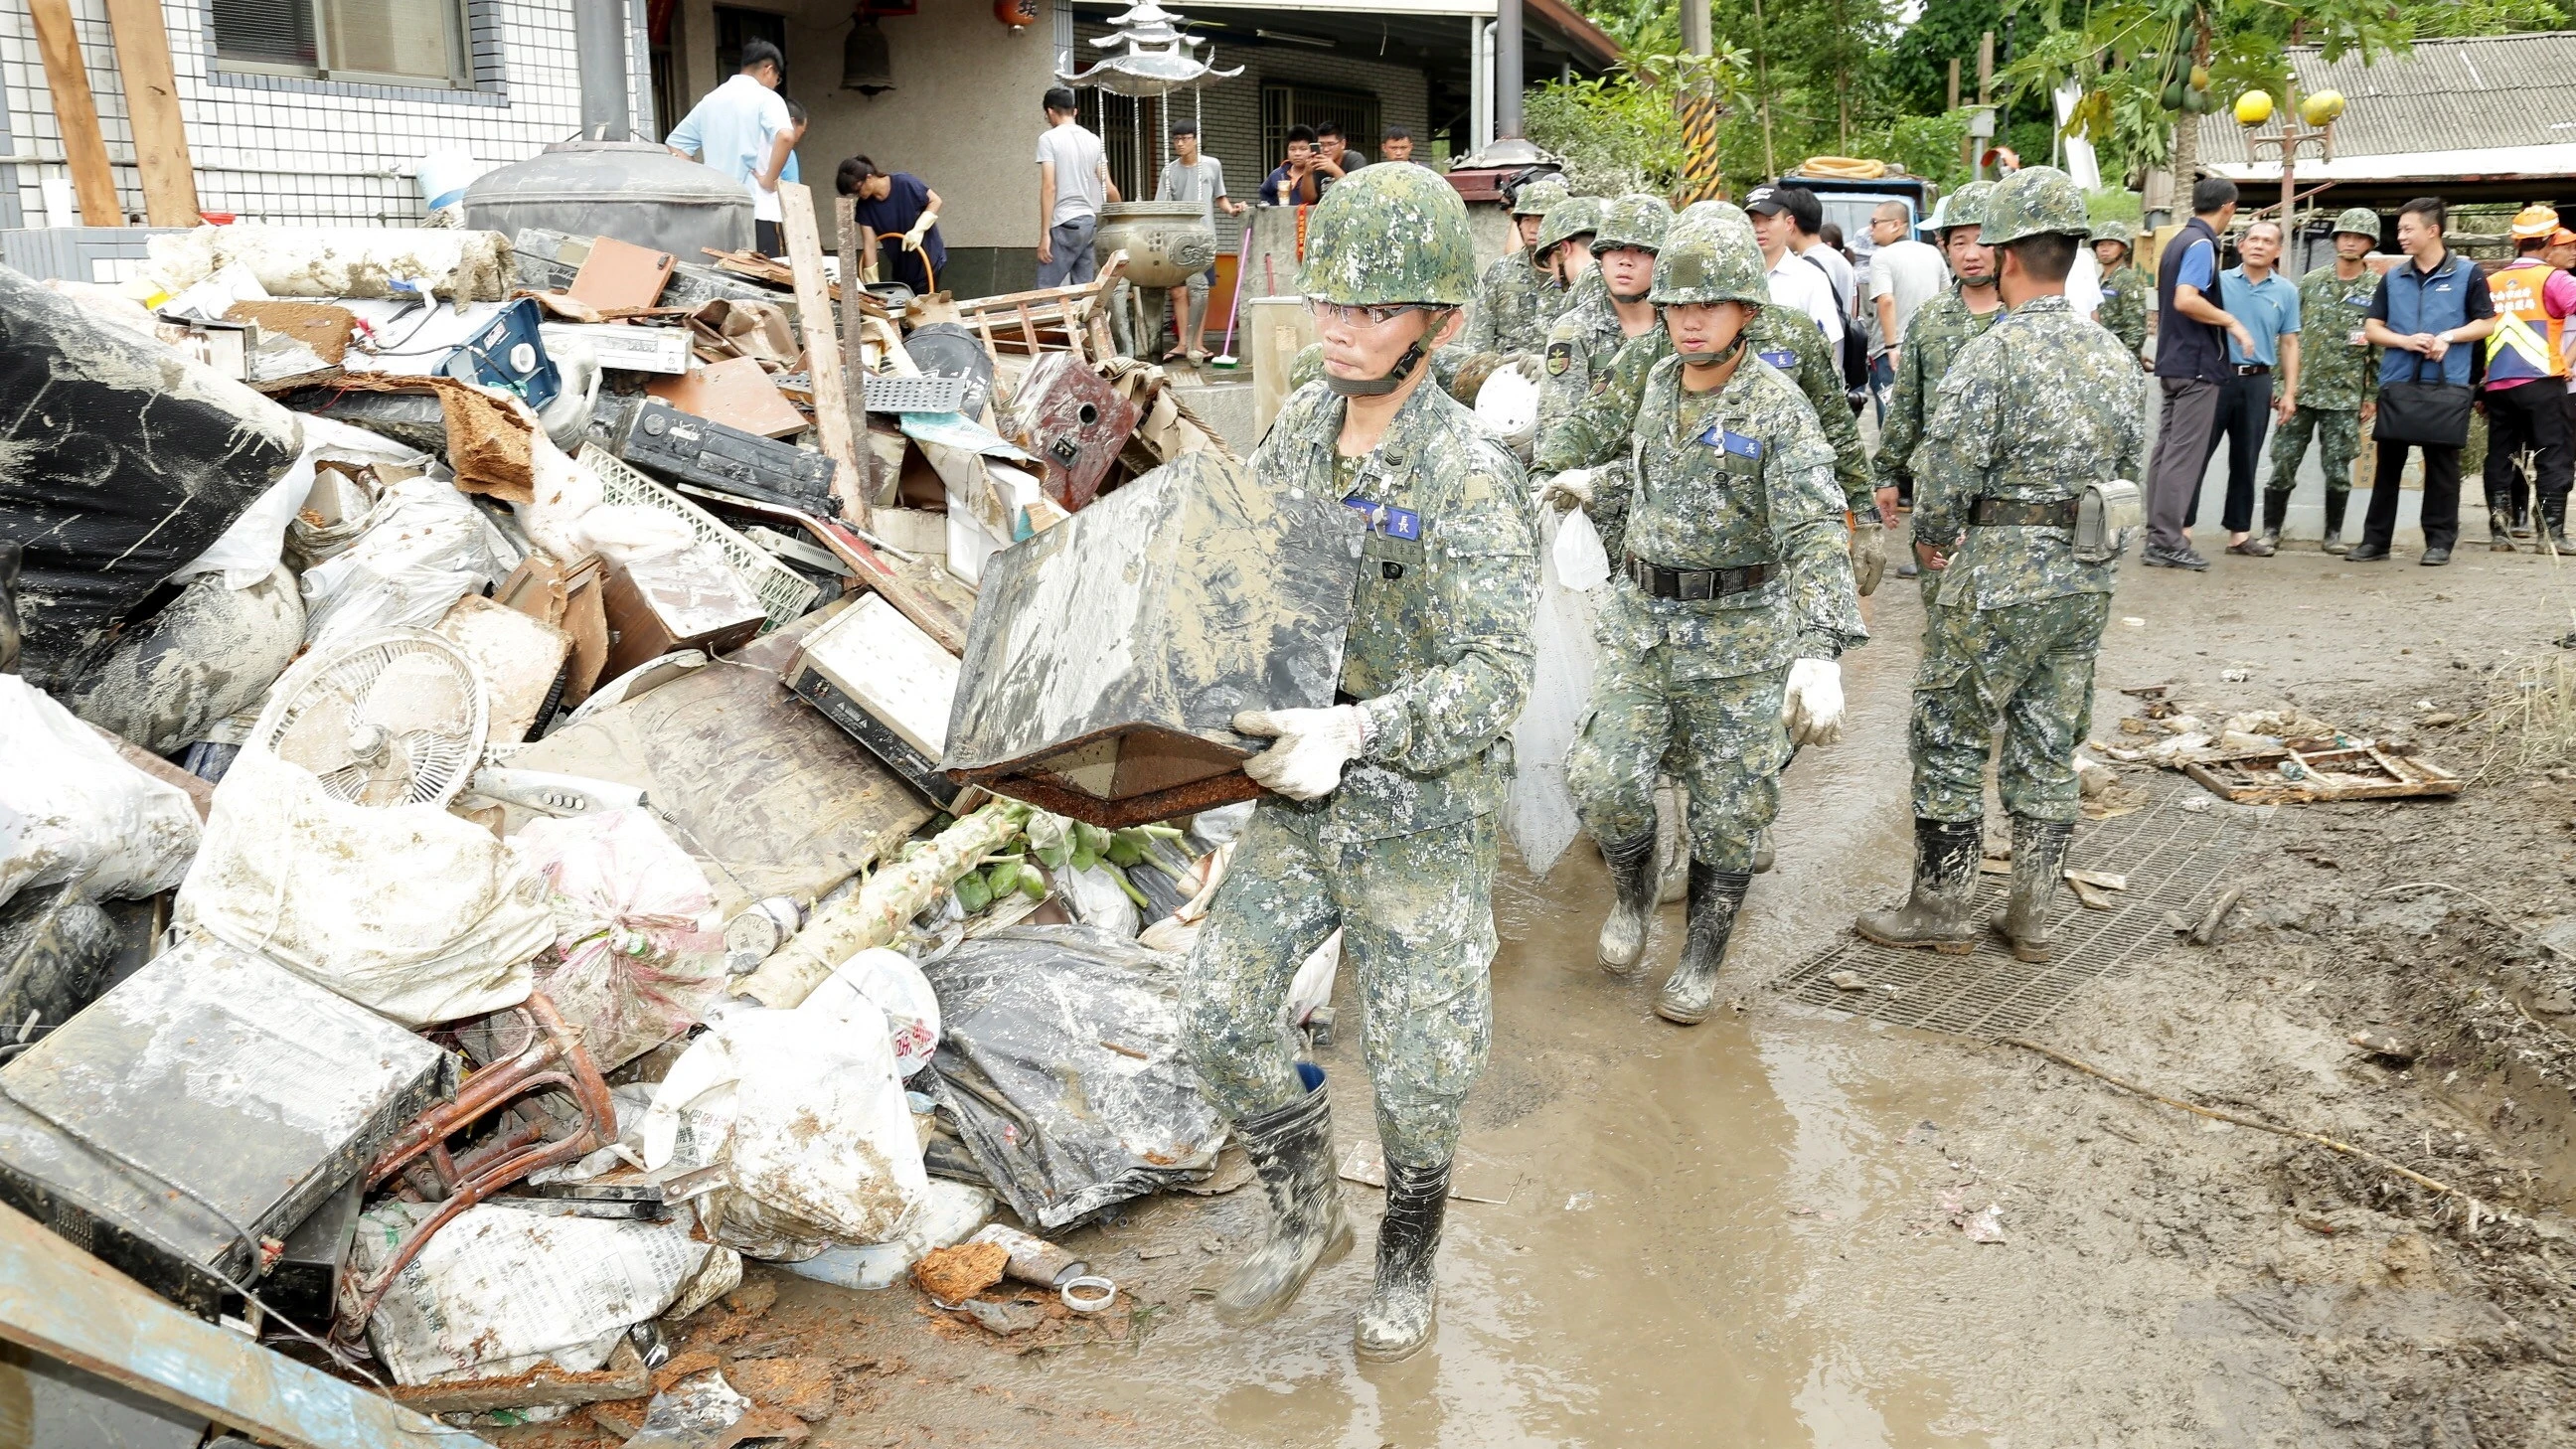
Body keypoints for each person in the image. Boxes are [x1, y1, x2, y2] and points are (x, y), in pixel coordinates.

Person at [1181, 165, 1536, 1364]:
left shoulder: (1471, 479)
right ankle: (1307, 1210)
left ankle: (1406, 1259)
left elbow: (1495, 681)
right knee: (1220, 1016)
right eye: (1329, 302)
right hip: (1293, 792)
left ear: (1436, 324)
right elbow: (1246, 568)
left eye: (1373, 311)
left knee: (1422, 1074)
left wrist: (1363, 729)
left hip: (1418, 812)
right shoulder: (1296, 424)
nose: (1339, 328)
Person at [1550, 208, 1862, 1026]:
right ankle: (1634, 890)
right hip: (1642, 620)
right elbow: (1657, 484)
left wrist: (1822, 646)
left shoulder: (1778, 409)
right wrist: (1599, 486)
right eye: (1678, 305)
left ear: (1747, 313)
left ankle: (1700, 955)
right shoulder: (1655, 382)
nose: (1689, 320)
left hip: (1739, 637)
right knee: (1604, 778)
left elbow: (1813, 526)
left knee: (1730, 813)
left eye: (1710, 305)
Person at [1854, 165, 2147, 964]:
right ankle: (2034, 917)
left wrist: (1938, 535)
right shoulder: (2114, 356)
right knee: (2049, 739)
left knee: (1949, 730)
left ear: (2008, 255)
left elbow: (1945, 472)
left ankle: (1941, 907)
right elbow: (2127, 464)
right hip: (2084, 573)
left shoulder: (1991, 354)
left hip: (1997, 575)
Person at [2351, 197, 2497, 564]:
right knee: (2387, 466)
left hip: (2447, 385)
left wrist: (2447, 337)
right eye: (2399, 229)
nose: (2400, 236)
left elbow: (2488, 322)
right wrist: (2405, 340)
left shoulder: (2468, 273)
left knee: (2443, 466)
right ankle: (2375, 541)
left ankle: (2439, 542)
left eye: (2407, 229)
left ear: (2432, 230)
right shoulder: (2393, 278)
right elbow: (2372, 328)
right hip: (2398, 383)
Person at [1876, 181, 2003, 580]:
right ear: (1944, 247)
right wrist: (1887, 475)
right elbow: (1906, 405)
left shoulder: (2026, 316)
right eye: (1959, 242)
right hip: (1941, 493)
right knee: (1942, 608)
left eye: (1983, 241)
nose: (1971, 254)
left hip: (2008, 494)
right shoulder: (1930, 318)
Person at [2143, 177, 2254, 571]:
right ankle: (2168, 540)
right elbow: (2186, 298)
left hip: (2173, 361)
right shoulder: (2202, 244)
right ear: (2229, 207)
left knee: (2166, 451)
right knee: (2183, 456)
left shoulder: (2176, 241)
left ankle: (2158, 536)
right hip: (2196, 367)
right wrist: (2233, 323)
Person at [2263, 208, 2381, 555]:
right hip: (2300, 392)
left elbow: (2377, 349)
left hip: (2345, 395)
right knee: (2283, 463)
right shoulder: (2311, 282)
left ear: (2370, 243)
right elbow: (2285, 335)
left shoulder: (2378, 289)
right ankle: (2271, 531)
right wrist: (2279, 384)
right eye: (2344, 235)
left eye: (2358, 237)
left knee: (2339, 468)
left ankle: (2332, 535)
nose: (2349, 241)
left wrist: (2371, 393)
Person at [2201, 220, 2301, 557]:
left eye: (2267, 241)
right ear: (2240, 246)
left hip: (2258, 382)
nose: (2259, 245)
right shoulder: (2219, 283)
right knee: (2196, 456)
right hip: (2216, 377)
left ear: (2278, 251)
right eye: (2253, 239)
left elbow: (2289, 342)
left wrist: (2289, 392)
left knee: (2246, 459)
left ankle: (2239, 535)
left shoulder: (2286, 291)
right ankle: (2178, 530)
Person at [2479, 205, 2576, 550]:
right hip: (2543, 380)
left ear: (2516, 241)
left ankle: (2500, 533)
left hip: (2498, 385)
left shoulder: (2491, 282)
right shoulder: (2556, 278)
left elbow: (2478, 333)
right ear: (2550, 241)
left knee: (2500, 457)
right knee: (2554, 455)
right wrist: (2567, 358)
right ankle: (2550, 534)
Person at [1538, 194, 1670, 429]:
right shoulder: (1574, 331)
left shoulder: (1681, 329)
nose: (1625, 261)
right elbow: (1556, 435)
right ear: (1600, 257)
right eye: (1615, 248)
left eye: (1641, 250)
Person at [665, 41, 796, 255]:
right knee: (769, 281)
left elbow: (676, 145)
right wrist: (769, 180)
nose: (775, 84)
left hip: (718, 213)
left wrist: (705, 180)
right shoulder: (767, 98)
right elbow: (785, 135)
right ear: (768, 69)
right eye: (777, 78)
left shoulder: (710, 100)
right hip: (759, 208)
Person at [1154, 120, 1241, 363]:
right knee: (1178, 292)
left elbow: (1221, 198)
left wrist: (1233, 210)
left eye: (1185, 138)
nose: (1180, 143)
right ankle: (1183, 343)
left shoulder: (1212, 165)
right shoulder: (1169, 171)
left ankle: (1198, 343)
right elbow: (1162, 208)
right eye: (1176, 139)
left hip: (1204, 238)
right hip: (1177, 240)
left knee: (1199, 291)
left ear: (1195, 139)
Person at [1457, 175, 1569, 359]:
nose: (1533, 228)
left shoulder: (1577, 276)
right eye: (1526, 220)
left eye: (1541, 220)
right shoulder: (1501, 270)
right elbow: (1478, 335)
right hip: (1505, 375)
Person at [1866, 199, 1948, 425]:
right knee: (1925, 417)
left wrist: (1892, 346)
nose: (1870, 229)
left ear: (1895, 224)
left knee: (1893, 421)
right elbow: (1946, 297)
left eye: (1874, 222)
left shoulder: (1882, 257)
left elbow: (1886, 300)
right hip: (1929, 348)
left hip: (1891, 353)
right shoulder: (1932, 252)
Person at [1035, 85, 1118, 287]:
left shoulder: (1048, 139)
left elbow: (1049, 187)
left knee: (1045, 293)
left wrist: (1045, 235)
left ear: (1050, 112)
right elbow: (1109, 188)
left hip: (1064, 223)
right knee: (1083, 293)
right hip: (1088, 223)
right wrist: (1119, 222)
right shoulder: (1094, 140)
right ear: (1075, 111)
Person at [1743, 185, 1845, 347]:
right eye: (1752, 221)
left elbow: (1831, 344)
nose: (1759, 229)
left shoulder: (1810, 278)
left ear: (1789, 223)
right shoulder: (1736, 278)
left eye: (1769, 220)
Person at [838, 156, 945, 297]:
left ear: (869, 178)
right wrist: (873, 287)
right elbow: (869, 246)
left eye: (858, 190)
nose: (858, 195)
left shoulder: (904, 183)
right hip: (901, 267)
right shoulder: (864, 207)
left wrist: (919, 229)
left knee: (923, 308)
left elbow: (935, 200)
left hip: (927, 261)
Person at [2090, 221, 2150, 365]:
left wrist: (2126, 361)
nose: (2104, 249)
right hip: (2101, 353)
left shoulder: (2128, 280)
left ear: (2123, 248)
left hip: (2118, 358)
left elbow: (2136, 328)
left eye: (2111, 244)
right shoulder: (2099, 281)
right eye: (2101, 245)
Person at [1534, 195, 1600, 290]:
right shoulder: (1618, 288)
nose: (1551, 271)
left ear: (1565, 249)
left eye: (1548, 262)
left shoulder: (1586, 297)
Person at [1259, 125, 1321, 206]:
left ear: (1312, 150)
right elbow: (1264, 194)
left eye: (1303, 149)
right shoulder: (1277, 174)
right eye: (1292, 149)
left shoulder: (1320, 173)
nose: (1297, 154)